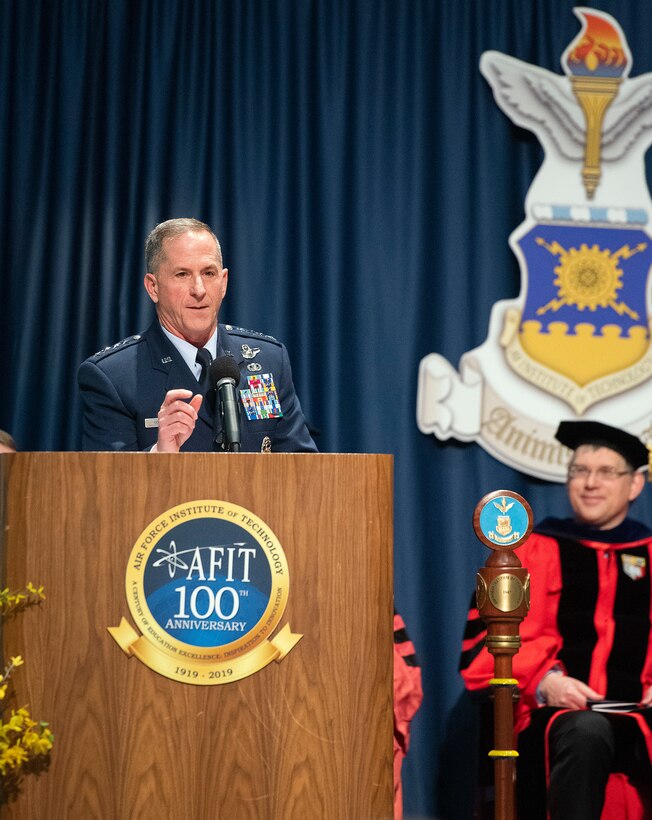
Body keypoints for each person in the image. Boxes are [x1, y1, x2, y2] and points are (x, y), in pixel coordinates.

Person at [459, 420, 652, 819]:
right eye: (579, 471)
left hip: (640, 714)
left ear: (635, 485)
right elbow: (482, 652)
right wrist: (547, 682)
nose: (590, 483)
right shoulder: (526, 552)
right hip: (551, 716)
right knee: (586, 730)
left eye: (605, 472)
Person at [78, 218, 316, 453]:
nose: (199, 290)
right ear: (153, 287)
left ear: (223, 283)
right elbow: (107, 485)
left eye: (209, 273)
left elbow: (303, 471)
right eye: (182, 274)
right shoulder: (113, 377)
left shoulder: (269, 361)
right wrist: (160, 454)